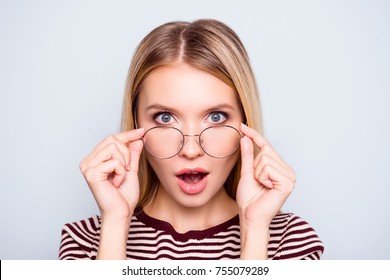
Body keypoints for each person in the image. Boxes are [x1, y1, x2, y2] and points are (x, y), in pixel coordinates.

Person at [59, 19, 324, 260]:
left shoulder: (288, 241)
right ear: (136, 123)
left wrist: (254, 229)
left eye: (217, 117)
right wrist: (115, 223)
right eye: (164, 117)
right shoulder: (86, 242)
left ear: (245, 123)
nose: (190, 149)